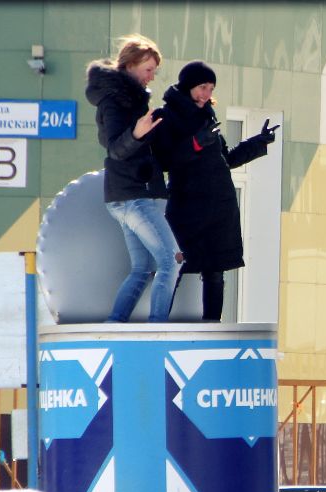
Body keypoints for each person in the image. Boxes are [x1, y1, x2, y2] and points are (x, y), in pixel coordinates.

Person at [152, 61, 277, 322]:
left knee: (216, 271)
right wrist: (196, 143)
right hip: (187, 204)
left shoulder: (208, 115)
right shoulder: (168, 116)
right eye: (202, 87)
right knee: (175, 265)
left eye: (210, 88)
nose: (207, 94)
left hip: (219, 204)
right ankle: (158, 323)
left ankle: (212, 326)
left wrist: (258, 142)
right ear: (188, 86)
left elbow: (225, 159)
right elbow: (164, 160)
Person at [85, 34, 182, 323]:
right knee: (171, 261)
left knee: (142, 268)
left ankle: (114, 324)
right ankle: (157, 327)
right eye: (148, 69)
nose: (152, 77)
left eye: (154, 70)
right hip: (133, 197)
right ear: (129, 66)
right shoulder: (115, 101)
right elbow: (115, 147)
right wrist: (138, 133)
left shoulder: (133, 101)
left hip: (128, 195)